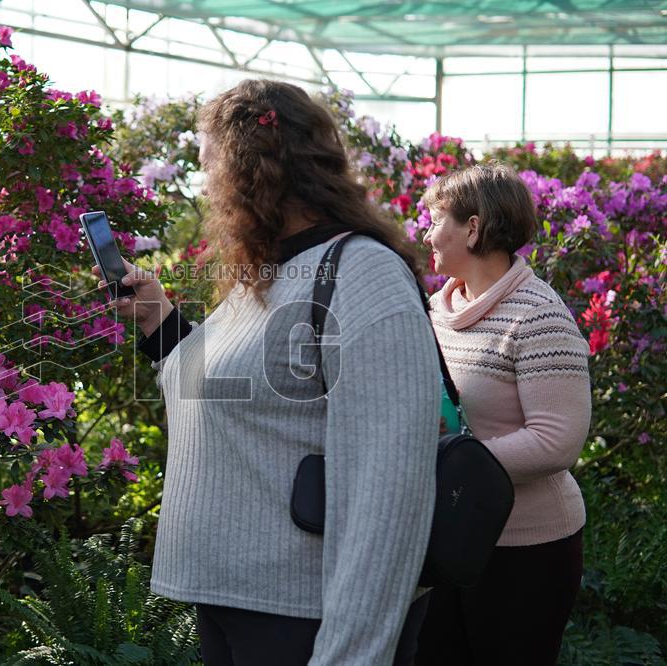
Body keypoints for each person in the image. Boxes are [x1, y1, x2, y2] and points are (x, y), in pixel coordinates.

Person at [93, 79, 440, 665]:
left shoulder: (362, 276)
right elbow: (222, 387)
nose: (206, 190)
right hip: (237, 604)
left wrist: (352, 652)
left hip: (305, 619)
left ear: (245, 172)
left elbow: (391, 493)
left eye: (209, 169)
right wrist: (156, 313)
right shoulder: (275, 274)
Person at [415, 163, 592, 665]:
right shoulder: (435, 310)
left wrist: (447, 465)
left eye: (436, 219)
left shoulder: (538, 316)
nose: (428, 234)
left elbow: (557, 441)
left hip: (525, 551)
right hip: (447, 537)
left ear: (472, 228)